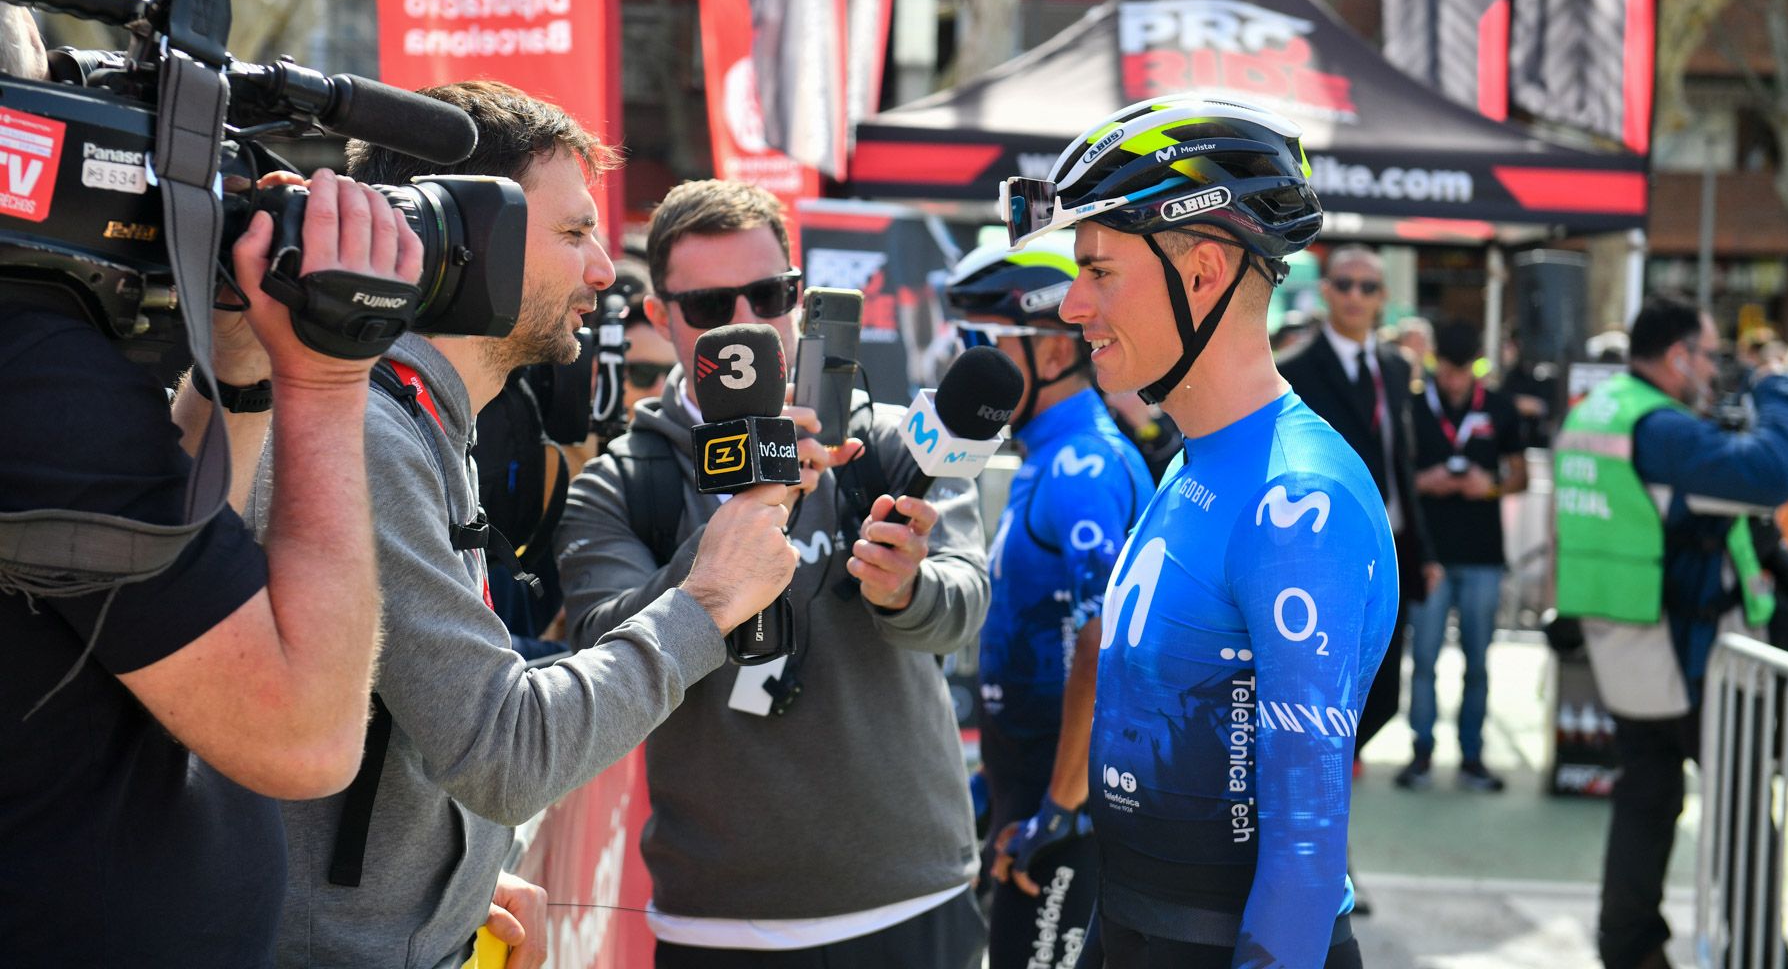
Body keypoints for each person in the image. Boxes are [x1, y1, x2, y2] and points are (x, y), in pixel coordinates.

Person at [244, 83, 807, 969]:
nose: (600, 272)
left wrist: (463, 884)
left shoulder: (421, 420)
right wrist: (706, 603)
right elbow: (505, 752)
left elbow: (422, 722)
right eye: (575, 234)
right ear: (467, 236)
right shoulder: (370, 436)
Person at [1, 0, 422, 964]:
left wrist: (236, 375)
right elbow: (307, 740)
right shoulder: (30, 372)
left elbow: (160, 565)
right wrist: (325, 374)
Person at [1005, 93, 1398, 968]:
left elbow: (1304, 851)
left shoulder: (1299, 497)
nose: (1072, 307)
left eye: (1100, 271)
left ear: (1205, 273)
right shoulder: (1196, 459)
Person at [556, 179, 990, 968]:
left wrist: (907, 590)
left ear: (800, 292)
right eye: (712, 308)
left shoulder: (887, 442)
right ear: (661, 318)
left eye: (768, 294)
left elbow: (964, 606)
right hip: (719, 922)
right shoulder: (625, 482)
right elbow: (600, 653)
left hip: (915, 898)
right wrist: (744, 506)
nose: (748, 326)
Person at [1554, 294, 1788, 969]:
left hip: (1628, 649)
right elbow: (1772, 472)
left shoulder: (1601, 409)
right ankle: (1757, 953)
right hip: (1691, 658)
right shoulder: (1658, 427)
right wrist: (1779, 388)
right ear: (1678, 356)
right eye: (1710, 354)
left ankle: (1630, 948)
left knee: (1647, 799)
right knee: (1745, 813)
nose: (1715, 370)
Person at [943, 242, 1153, 969]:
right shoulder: (1046, 454)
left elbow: (1108, 643)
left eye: (983, 341)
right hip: (1030, 782)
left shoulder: (1083, 466)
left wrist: (1060, 810)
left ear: (1057, 351)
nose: (967, 362)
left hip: (1062, 803)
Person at [1278, 245, 1442, 772]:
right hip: (1321, 555)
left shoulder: (1397, 368)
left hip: (1392, 548)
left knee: (1385, 692)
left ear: (1382, 299)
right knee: (1320, 695)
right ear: (1325, 291)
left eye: (1367, 287)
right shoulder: (1293, 370)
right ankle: (1324, 807)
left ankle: (1339, 770)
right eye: (1344, 284)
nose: (1355, 296)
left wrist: (1425, 549)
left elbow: (1402, 462)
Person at [1395, 320, 1527, 792]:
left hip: (1482, 554)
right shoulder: (1412, 405)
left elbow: (1521, 475)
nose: (1453, 381)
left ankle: (1472, 755)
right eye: (1446, 372)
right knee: (1424, 659)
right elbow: (1394, 471)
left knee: (1478, 659)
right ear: (1435, 366)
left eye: (1462, 371)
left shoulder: (1498, 406)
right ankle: (1422, 752)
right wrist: (1421, 482)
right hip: (1430, 555)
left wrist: (1486, 485)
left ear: (1476, 366)